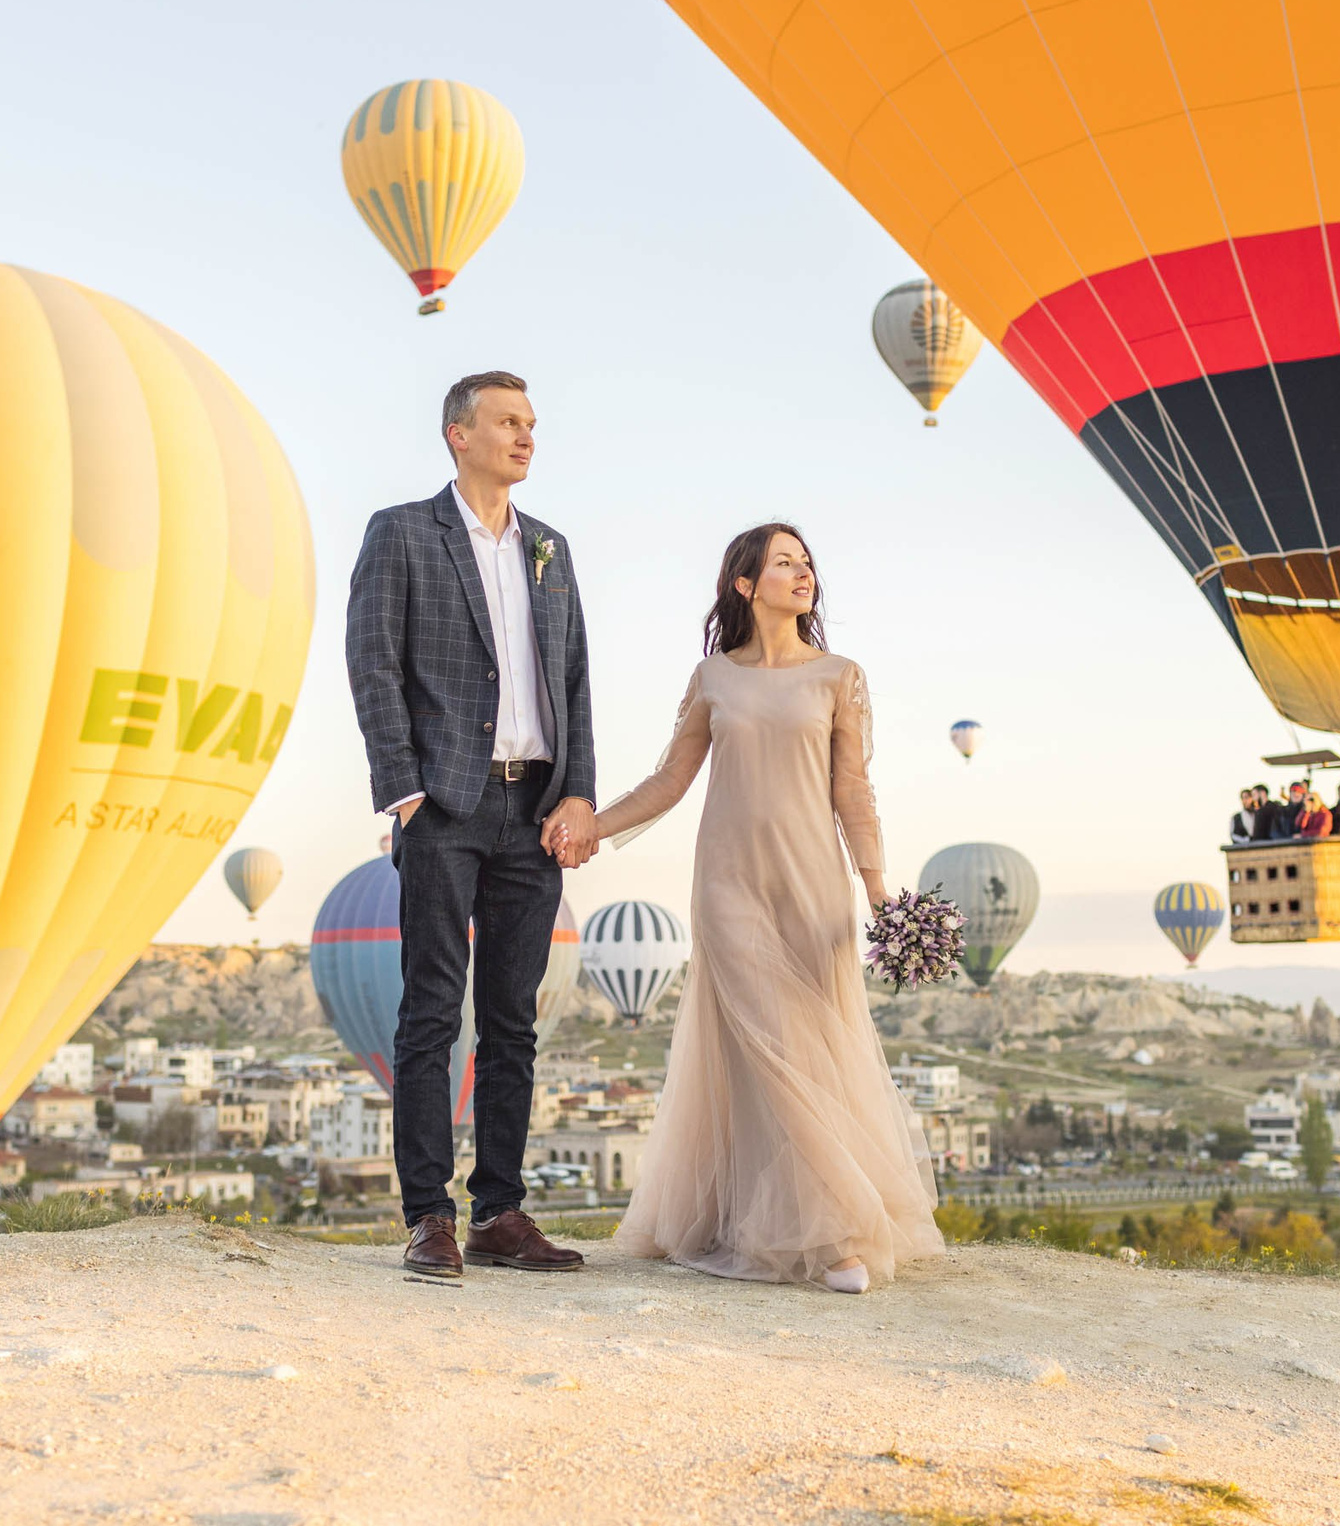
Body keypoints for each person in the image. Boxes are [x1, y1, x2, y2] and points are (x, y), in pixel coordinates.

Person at [591, 523, 942, 1295]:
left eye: (808, 561)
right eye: (784, 563)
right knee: (765, 1045)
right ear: (746, 584)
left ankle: (770, 1220)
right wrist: (594, 824)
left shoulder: (838, 676)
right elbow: (668, 783)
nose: (802, 572)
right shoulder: (714, 677)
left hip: (814, 882)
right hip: (727, 885)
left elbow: (853, 790)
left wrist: (879, 888)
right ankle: (836, 1235)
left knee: (811, 1047)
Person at [347, 370, 598, 1281]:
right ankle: (428, 1217)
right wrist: (404, 792)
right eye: (507, 421)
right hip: (445, 804)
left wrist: (579, 794)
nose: (526, 435)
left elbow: (571, 680)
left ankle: (499, 1210)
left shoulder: (551, 548)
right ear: (458, 434)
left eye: (531, 422)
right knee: (429, 1013)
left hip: (534, 807)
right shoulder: (404, 532)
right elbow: (372, 664)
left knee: (512, 1020)